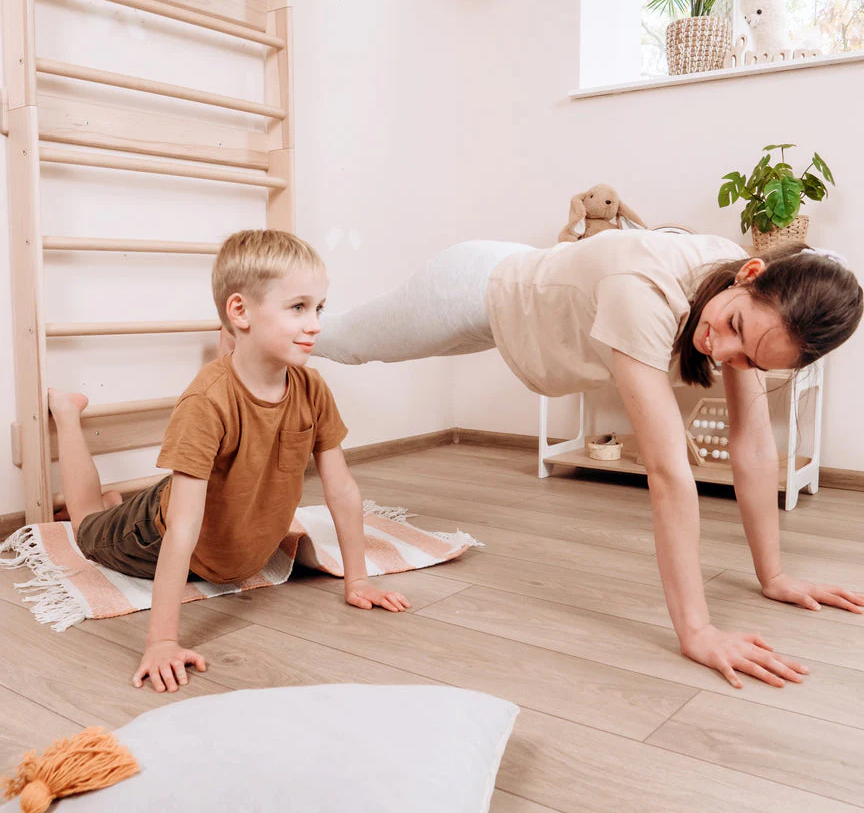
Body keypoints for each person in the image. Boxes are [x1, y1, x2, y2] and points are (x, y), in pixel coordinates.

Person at [307, 229, 864, 689]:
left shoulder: (747, 311)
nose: (722, 354)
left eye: (748, 358)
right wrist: (696, 631)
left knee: (339, 342)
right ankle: (253, 331)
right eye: (734, 329)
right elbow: (670, 475)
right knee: (339, 341)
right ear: (751, 272)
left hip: (527, 297)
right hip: (477, 286)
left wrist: (775, 575)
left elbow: (754, 444)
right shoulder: (643, 290)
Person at [49, 229, 410, 694]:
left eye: (318, 307)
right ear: (239, 312)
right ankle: (66, 413)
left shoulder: (312, 389)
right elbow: (182, 526)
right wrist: (161, 640)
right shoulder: (206, 401)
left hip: (211, 515)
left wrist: (357, 579)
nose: (316, 323)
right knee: (86, 527)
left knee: (177, 489)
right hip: (154, 533)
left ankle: (116, 498)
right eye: (298, 307)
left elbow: (341, 489)